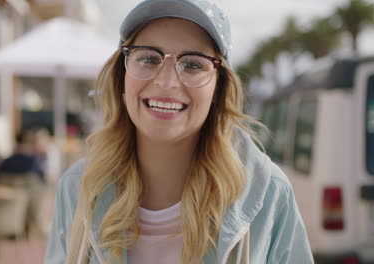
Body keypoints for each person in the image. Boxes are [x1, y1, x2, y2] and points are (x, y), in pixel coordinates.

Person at [45, 0, 314, 263]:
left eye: (193, 64)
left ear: (218, 90)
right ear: (122, 79)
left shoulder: (269, 195)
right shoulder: (77, 188)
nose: (166, 82)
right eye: (148, 58)